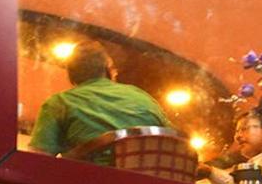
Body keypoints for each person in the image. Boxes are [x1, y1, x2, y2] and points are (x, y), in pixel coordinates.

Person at [27, 42, 170, 163]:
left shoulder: (59, 102)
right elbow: (175, 143)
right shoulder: (144, 98)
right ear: (108, 70)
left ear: (72, 76)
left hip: (87, 183)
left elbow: (38, 162)